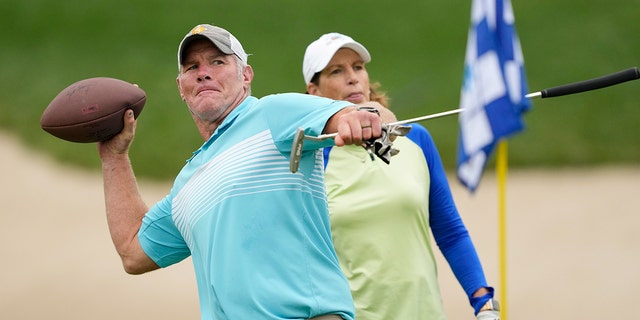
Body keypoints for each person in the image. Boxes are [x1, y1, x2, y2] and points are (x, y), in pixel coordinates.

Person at [96, 24, 398, 320]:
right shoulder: (186, 186)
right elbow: (133, 252)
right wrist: (113, 155)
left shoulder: (273, 113)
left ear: (246, 76)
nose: (203, 72)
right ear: (181, 88)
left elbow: (353, 114)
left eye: (218, 62)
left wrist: (362, 118)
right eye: (192, 67)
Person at [302, 32, 500, 320]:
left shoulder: (416, 139)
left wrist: (482, 299)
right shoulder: (312, 159)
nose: (353, 77)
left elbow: (450, 230)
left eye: (358, 67)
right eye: (336, 71)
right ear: (314, 92)